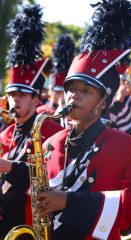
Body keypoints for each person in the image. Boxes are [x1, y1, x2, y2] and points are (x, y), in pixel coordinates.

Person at [36, 1, 131, 240]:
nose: (74, 95)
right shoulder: (50, 142)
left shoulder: (124, 145)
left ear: (103, 102)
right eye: (71, 89)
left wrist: (70, 202)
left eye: (86, 91)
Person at [0, 5, 63, 239]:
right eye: (11, 94)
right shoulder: (7, 132)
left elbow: (53, 178)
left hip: (30, 223)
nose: (14, 100)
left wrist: (8, 166)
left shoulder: (50, 129)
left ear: (36, 99)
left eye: (21, 95)